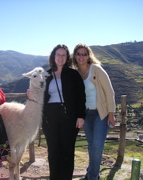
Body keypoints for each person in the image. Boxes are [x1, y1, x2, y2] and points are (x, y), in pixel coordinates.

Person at [72, 43, 116, 180]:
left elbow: (109, 91)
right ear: (75, 56)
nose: (81, 57)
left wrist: (111, 113)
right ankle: (91, 174)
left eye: (84, 54)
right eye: (78, 54)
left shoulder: (96, 69)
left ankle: (92, 177)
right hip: (86, 115)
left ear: (88, 55)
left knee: (97, 147)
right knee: (91, 146)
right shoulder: (75, 73)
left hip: (100, 114)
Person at [42, 44, 86, 180]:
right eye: (58, 54)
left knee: (67, 150)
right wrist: (31, 93)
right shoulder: (46, 75)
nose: (60, 57)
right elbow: (40, 94)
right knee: (53, 150)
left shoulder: (73, 74)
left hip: (69, 116)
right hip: (50, 116)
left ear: (67, 57)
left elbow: (81, 96)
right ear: (53, 56)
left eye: (63, 55)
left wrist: (80, 116)